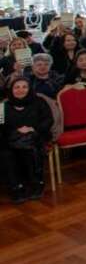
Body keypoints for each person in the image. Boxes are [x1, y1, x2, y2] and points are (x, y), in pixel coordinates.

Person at [1, 74, 54, 203]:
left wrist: (33, 129)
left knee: (31, 148)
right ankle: (16, 187)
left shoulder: (39, 102)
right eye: (17, 87)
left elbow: (48, 120)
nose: (20, 90)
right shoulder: (2, 107)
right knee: (6, 154)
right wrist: (15, 131)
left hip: (35, 136)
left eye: (24, 87)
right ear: (11, 90)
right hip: (10, 139)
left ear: (30, 89)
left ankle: (37, 184)